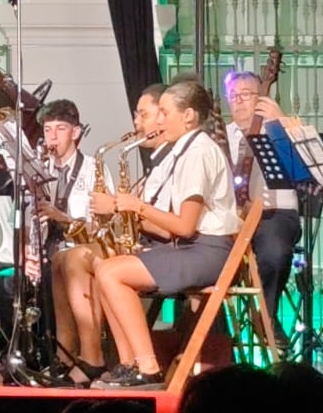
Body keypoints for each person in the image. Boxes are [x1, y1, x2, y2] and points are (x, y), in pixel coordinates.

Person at [90, 78, 240, 388]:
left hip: (207, 252)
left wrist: (135, 206)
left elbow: (185, 225)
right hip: (192, 248)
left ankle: (147, 366)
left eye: (166, 113)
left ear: (188, 116)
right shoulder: (185, 150)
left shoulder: (198, 152)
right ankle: (129, 363)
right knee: (104, 268)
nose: (159, 120)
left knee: (112, 273)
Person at [36, 98, 114, 383]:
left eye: (60, 129)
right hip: (47, 253)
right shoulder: (39, 170)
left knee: (65, 263)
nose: (52, 137)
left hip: (83, 252)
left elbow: (102, 226)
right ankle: (59, 359)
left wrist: (61, 217)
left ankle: (79, 357)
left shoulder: (95, 169)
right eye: (47, 130)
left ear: (76, 132)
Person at [223, 72, 300, 350]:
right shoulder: (223, 135)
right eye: (234, 96)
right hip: (234, 218)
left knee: (275, 251)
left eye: (246, 95)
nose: (239, 101)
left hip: (275, 212)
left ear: (261, 98)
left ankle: (264, 314)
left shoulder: (278, 129)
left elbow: (304, 161)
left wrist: (280, 120)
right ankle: (214, 340)